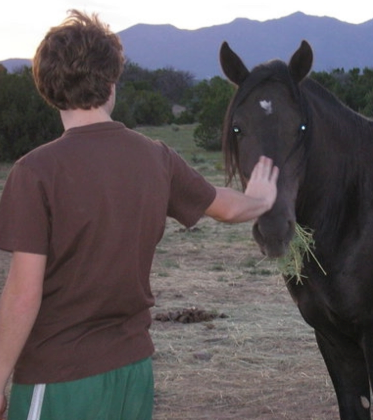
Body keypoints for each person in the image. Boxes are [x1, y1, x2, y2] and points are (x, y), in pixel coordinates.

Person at [0, 10, 278, 420]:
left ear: (47, 86)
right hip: (133, 372)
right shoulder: (157, 157)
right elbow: (228, 206)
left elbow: (23, 294)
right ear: (112, 83)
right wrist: (260, 197)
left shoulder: (35, 171)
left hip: (58, 376)